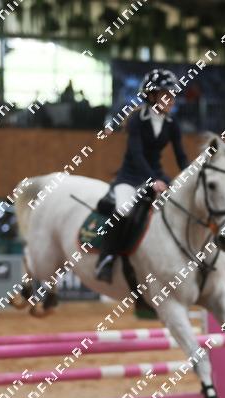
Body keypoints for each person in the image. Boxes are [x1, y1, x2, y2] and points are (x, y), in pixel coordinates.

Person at [94, 68, 189, 283]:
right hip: (130, 177)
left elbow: (181, 157)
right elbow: (136, 155)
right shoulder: (137, 120)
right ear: (152, 96)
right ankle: (106, 258)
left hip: (157, 176)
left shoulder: (172, 124)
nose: (171, 99)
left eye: (172, 94)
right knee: (124, 211)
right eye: (166, 94)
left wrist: (193, 174)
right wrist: (152, 180)